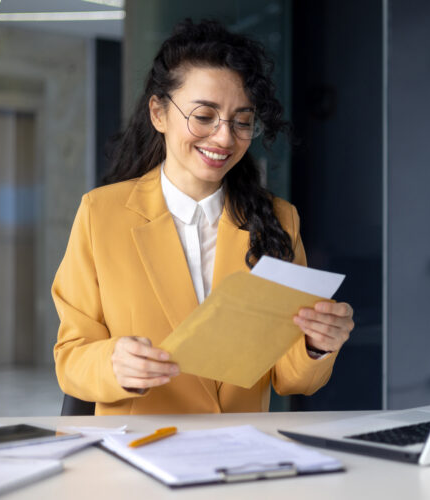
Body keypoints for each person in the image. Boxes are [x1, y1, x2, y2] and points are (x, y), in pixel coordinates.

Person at [52, 19, 355, 415]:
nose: (225, 138)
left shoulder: (279, 220)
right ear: (159, 113)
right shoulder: (101, 214)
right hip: (137, 452)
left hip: (239, 453)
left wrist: (317, 344)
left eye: (242, 121)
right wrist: (113, 362)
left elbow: (290, 378)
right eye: (204, 116)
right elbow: (71, 358)